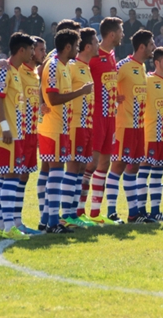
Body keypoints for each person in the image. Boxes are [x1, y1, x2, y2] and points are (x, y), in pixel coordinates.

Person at [40, 29, 92, 233]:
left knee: (56, 173)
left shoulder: (63, 66)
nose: (78, 50)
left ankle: (47, 221)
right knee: (55, 173)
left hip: (62, 127)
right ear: (68, 47)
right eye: (76, 45)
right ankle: (53, 222)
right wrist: (80, 92)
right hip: (53, 127)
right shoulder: (53, 66)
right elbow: (53, 99)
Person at [0, 33, 35, 240]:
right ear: (22, 50)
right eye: (31, 49)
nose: (33, 53)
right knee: (11, 176)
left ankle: (3, 225)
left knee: (7, 176)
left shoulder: (14, 71)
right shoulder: (5, 70)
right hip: (8, 134)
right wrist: (6, 128)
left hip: (16, 133)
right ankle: (9, 227)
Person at [106, 29, 155, 224]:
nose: (154, 48)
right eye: (151, 44)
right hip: (124, 125)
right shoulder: (123, 66)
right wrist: (113, 98)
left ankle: (133, 213)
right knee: (118, 165)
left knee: (133, 167)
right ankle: (110, 212)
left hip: (139, 127)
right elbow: (107, 84)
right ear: (142, 47)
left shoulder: (141, 67)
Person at [84, 17, 124, 225]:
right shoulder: (92, 56)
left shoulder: (111, 56)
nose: (122, 35)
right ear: (112, 34)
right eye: (121, 31)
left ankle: (95, 214)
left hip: (110, 116)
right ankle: (78, 212)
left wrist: (114, 95)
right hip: (96, 116)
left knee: (104, 164)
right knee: (89, 163)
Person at [139, 47, 163, 221]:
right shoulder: (148, 80)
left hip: (162, 136)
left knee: (158, 174)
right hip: (149, 135)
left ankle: (155, 212)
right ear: (157, 63)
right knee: (144, 173)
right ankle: (139, 211)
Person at [66, 28, 98, 225]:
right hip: (75, 125)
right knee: (73, 167)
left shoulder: (86, 67)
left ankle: (74, 214)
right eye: (96, 42)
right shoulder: (72, 66)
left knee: (80, 169)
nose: (98, 45)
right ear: (87, 47)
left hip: (87, 125)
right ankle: (67, 214)